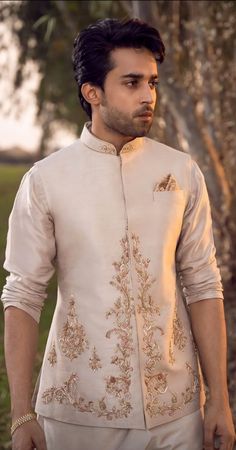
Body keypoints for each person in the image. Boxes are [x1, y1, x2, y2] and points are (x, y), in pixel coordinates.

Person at [1, 17, 235, 450]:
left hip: (177, 411)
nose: (148, 96)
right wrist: (20, 415)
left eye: (152, 82)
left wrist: (218, 399)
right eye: (132, 82)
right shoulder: (46, 180)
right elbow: (23, 295)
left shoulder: (181, 171)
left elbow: (203, 284)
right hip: (78, 413)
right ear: (92, 92)